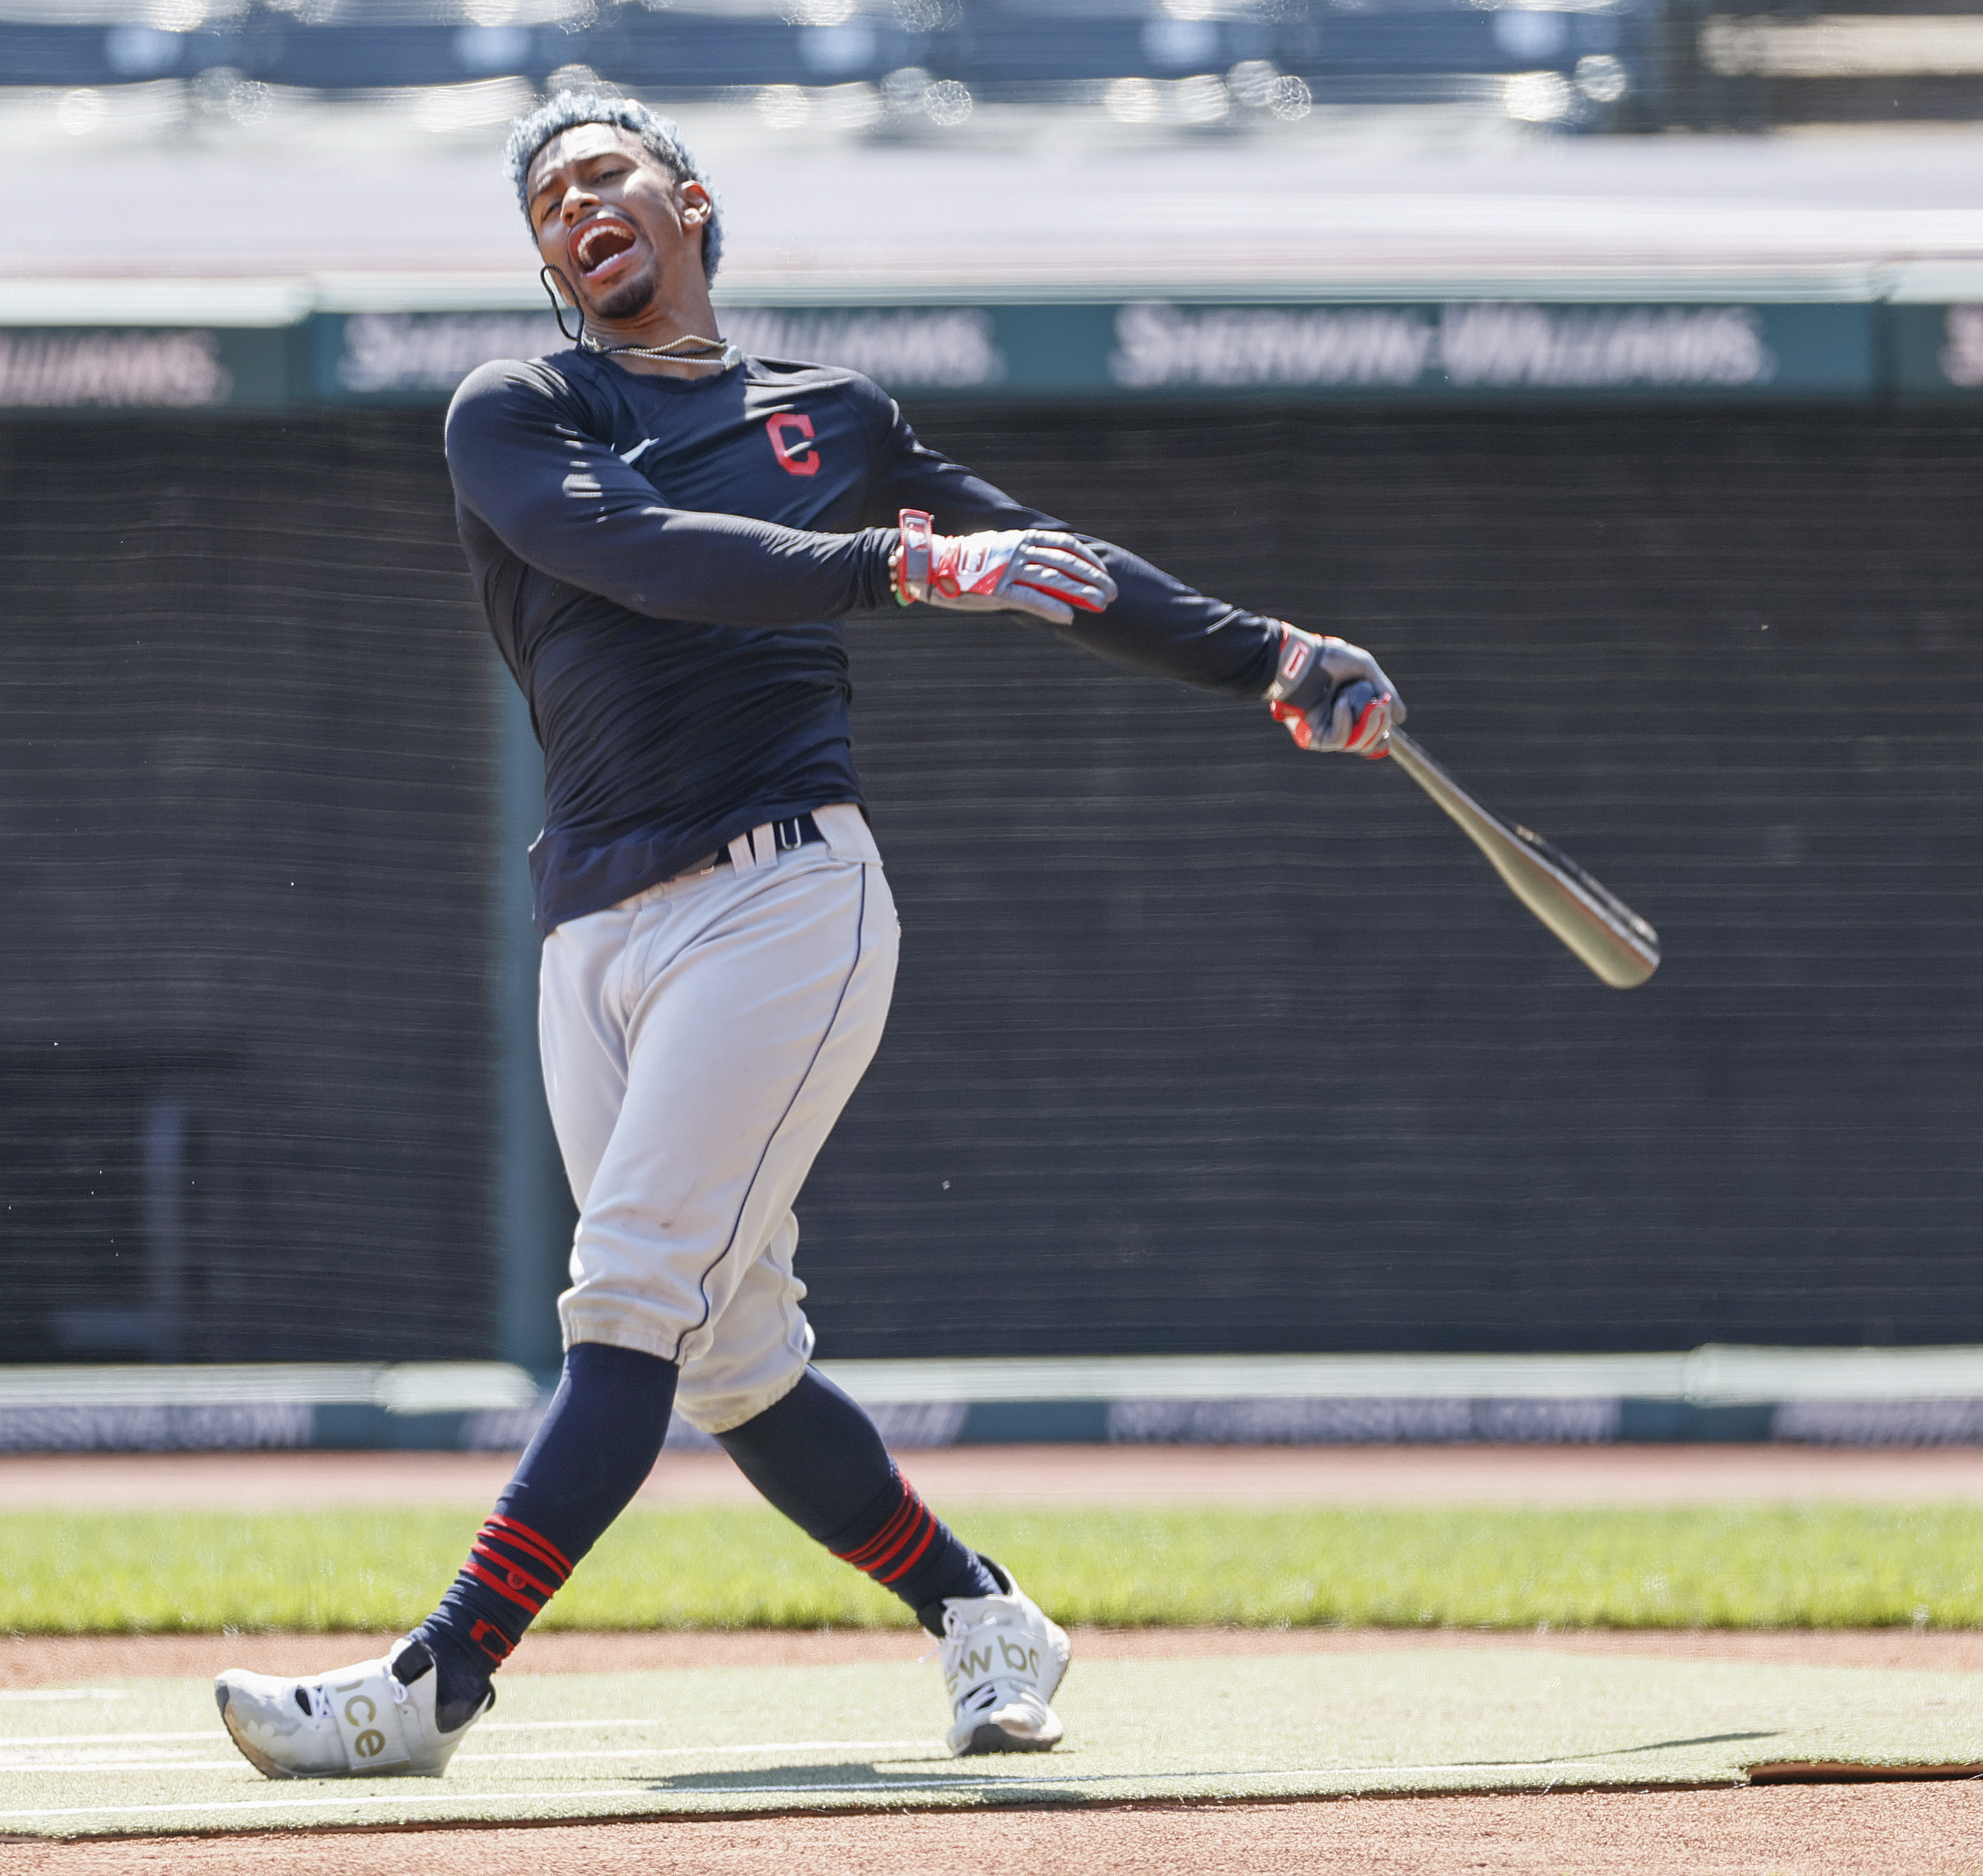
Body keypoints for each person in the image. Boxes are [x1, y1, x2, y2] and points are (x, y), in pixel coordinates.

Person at [214, 92, 1403, 1780]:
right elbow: (627, 550)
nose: (571, 206)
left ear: (688, 200)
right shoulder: (521, 405)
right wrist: (901, 570)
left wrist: (1270, 650)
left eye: (602, 175)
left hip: (782, 897)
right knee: (732, 1360)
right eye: (545, 199)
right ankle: (982, 1612)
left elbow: (1049, 566)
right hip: (593, 932)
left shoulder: (828, 414)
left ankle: (432, 1684)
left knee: (626, 1295)